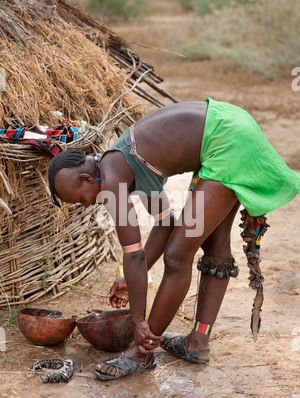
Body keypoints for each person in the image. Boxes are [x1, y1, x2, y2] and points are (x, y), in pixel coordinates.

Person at [48, 98, 300, 380]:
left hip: (227, 143)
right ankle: (197, 343)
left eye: (80, 199)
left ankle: (141, 354)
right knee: (213, 244)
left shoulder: (110, 182)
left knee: (178, 254)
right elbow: (166, 223)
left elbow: (133, 254)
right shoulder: (121, 163)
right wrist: (135, 278)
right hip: (228, 127)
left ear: (85, 178)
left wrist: (139, 321)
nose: (86, 205)